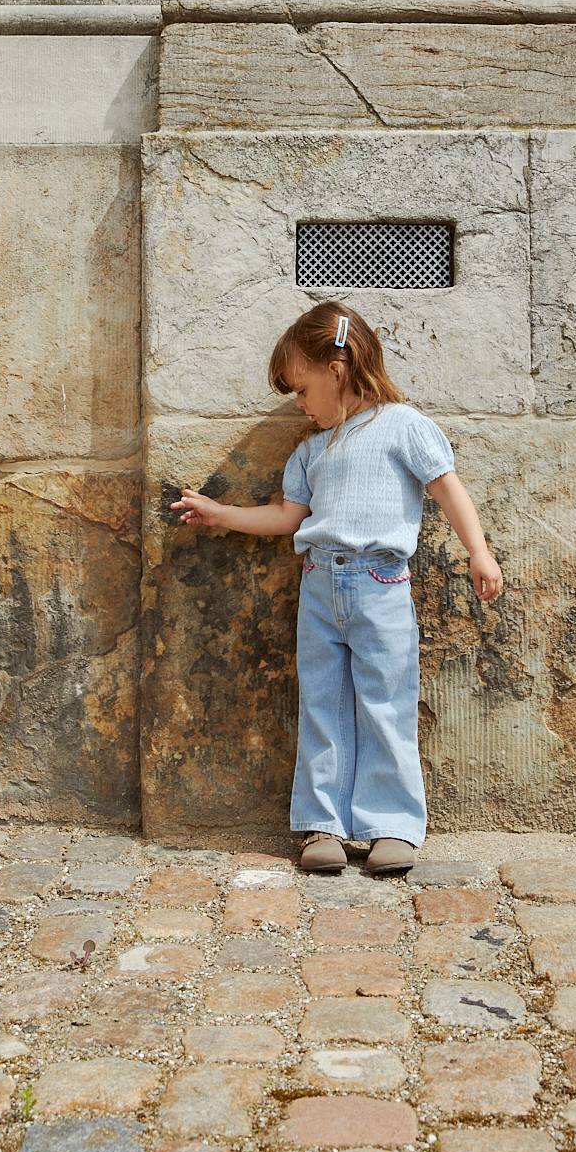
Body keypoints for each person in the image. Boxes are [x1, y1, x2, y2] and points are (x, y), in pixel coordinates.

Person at [171, 301, 503, 877]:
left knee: (386, 702)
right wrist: (221, 513)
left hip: (380, 583)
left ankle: (391, 825)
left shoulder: (402, 426)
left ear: (338, 369)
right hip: (319, 586)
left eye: (301, 389)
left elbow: (447, 488)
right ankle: (322, 823)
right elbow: (286, 517)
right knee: (322, 703)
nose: (298, 404)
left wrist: (479, 550)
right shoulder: (309, 451)